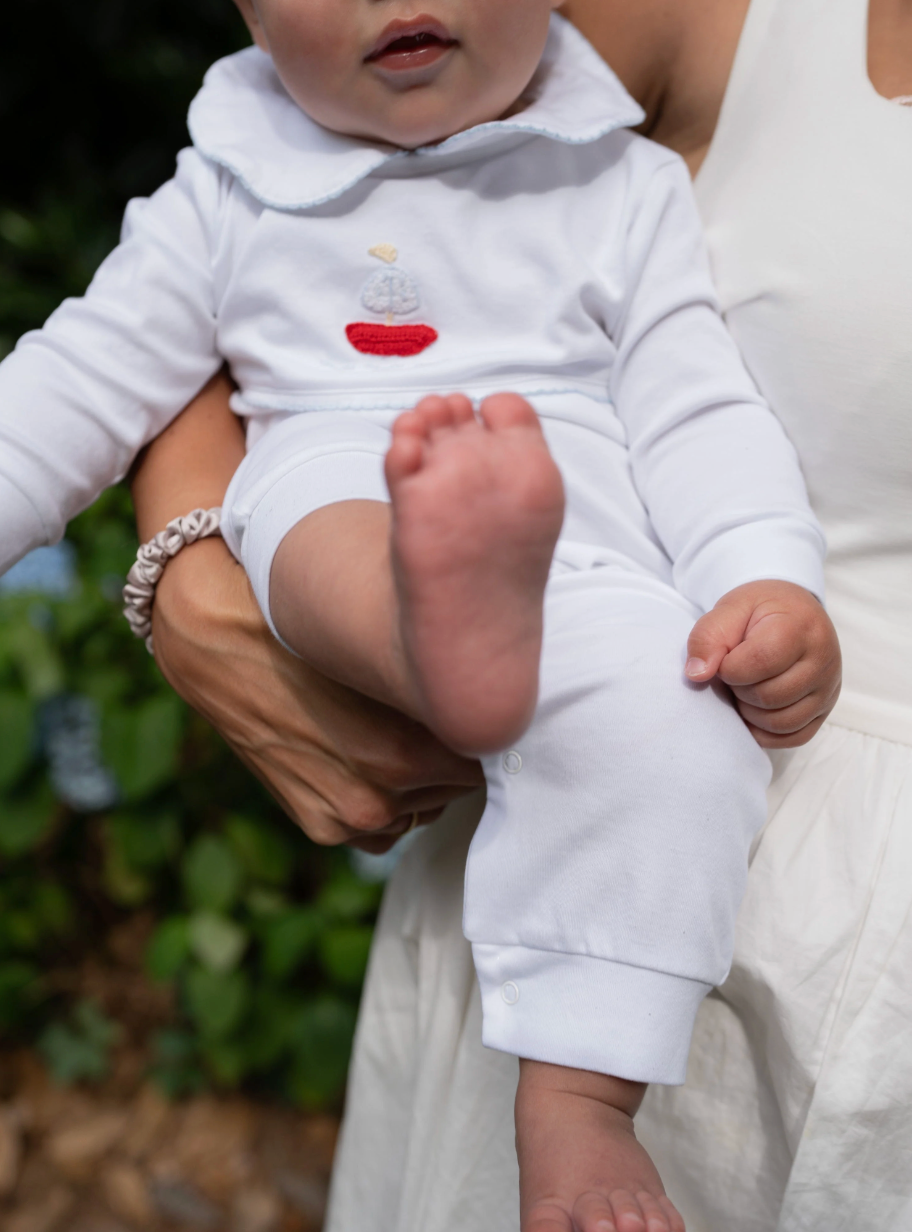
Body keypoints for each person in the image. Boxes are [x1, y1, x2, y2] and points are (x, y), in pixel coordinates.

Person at [0, 0, 845, 1227]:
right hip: (341, 469)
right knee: (355, 533)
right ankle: (433, 633)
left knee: (682, 720)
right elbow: (73, 382)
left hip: (592, 559)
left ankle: (578, 1100)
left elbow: (697, 409)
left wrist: (764, 577)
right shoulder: (235, 187)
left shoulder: (618, 177)